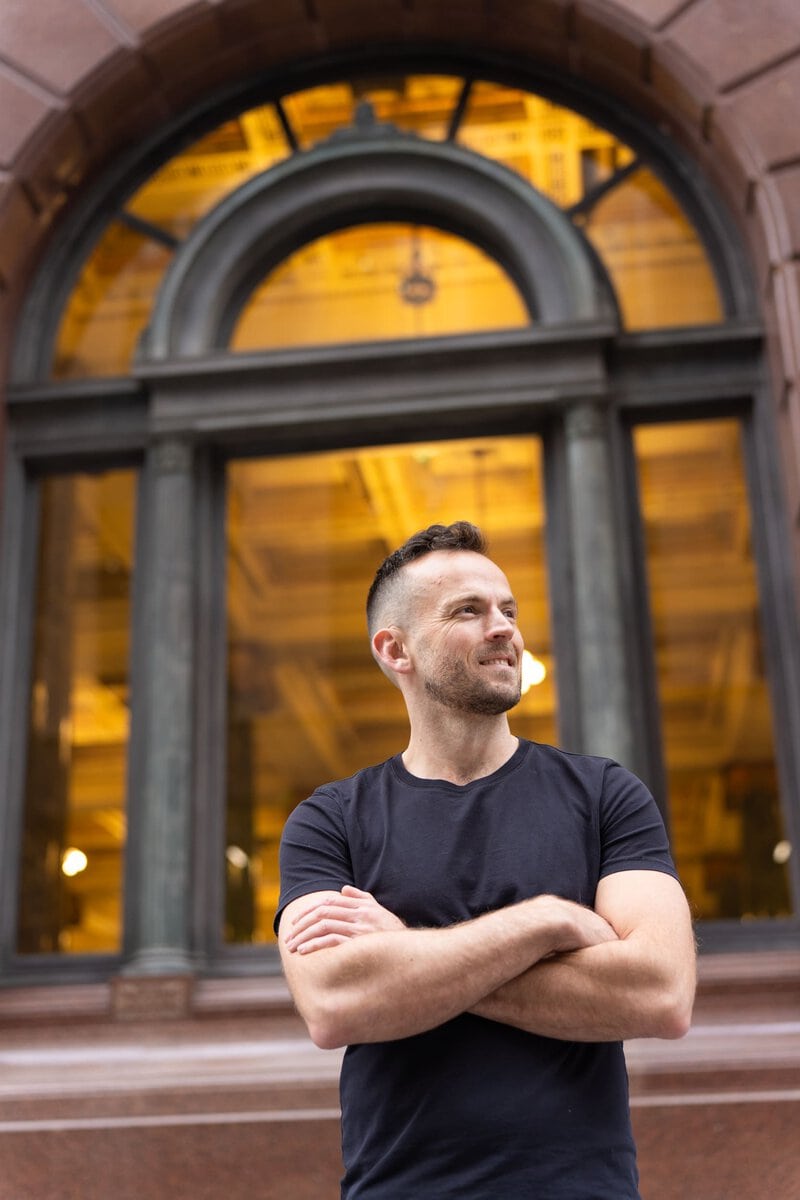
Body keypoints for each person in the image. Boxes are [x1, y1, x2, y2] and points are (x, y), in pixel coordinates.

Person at [275, 520, 696, 1200]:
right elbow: (335, 1003)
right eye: (467, 611)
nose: (503, 628)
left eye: (507, 610)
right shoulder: (331, 819)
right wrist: (549, 923)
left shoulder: (604, 795)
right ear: (395, 650)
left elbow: (661, 994)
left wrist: (407, 953)